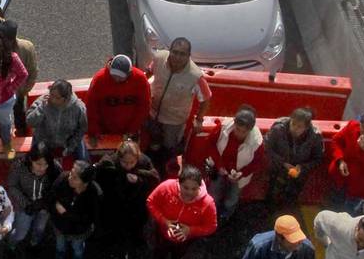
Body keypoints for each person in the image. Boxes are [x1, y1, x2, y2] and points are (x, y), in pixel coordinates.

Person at [145, 165, 217, 259]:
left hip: (186, 238)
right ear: (179, 183)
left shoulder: (208, 203)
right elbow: (151, 201)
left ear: (200, 186)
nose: (189, 192)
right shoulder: (167, 187)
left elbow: (211, 226)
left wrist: (190, 230)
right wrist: (164, 221)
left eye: (194, 188)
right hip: (162, 233)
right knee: (159, 254)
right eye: (186, 187)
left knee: (178, 254)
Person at [144, 36, 211, 171]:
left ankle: (164, 170)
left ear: (188, 56)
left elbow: (206, 97)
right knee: (152, 142)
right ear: (169, 51)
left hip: (174, 121)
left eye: (182, 54)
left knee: (169, 147)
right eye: (175, 52)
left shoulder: (195, 76)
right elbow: (148, 72)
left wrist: (199, 119)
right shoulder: (159, 58)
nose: (177, 57)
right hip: (153, 112)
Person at [205, 106, 266, 221]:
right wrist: (220, 166)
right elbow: (211, 144)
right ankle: (212, 213)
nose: (240, 134)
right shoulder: (223, 128)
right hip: (219, 169)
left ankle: (226, 217)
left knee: (232, 199)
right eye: (237, 129)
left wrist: (241, 174)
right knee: (213, 194)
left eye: (244, 132)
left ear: (251, 129)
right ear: (234, 124)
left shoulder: (257, 142)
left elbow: (257, 162)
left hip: (239, 176)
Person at [48, 160, 101, 259]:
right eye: (71, 173)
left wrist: (65, 214)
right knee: (60, 247)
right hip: (60, 227)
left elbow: (89, 218)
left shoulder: (94, 194)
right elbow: (51, 196)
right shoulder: (63, 178)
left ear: (85, 182)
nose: (70, 178)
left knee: (77, 250)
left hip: (79, 231)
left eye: (75, 178)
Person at [96, 138, 156, 249]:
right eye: (124, 162)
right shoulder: (110, 161)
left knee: (136, 223)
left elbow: (154, 180)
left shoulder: (144, 161)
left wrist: (139, 180)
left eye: (132, 162)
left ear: (137, 158)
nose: (128, 166)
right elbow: (101, 176)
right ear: (119, 158)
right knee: (114, 222)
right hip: (116, 200)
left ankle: (136, 238)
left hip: (136, 203)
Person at [86, 55, 151, 146]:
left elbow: (144, 106)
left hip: (130, 130)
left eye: (120, 77)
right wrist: (94, 131)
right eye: (114, 75)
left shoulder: (140, 79)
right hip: (105, 130)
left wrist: (132, 129)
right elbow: (91, 107)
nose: (116, 79)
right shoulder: (99, 79)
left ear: (129, 73)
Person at [265, 106, 324, 204]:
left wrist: (302, 167)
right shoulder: (278, 129)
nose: (294, 129)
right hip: (277, 170)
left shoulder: (315, 137)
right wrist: (282, 163)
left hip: (298, 176)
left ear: (306, 127)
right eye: (293, 124)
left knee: (290, 199)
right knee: (271, 195)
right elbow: (267, 147)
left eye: (299, 127)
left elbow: (318, 158)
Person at [7, 141, 60, 250]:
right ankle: (11, 246)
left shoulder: (55, 168)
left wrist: (45, 202)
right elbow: (12, 186)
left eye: (46, 164)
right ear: (31, 160)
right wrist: (26, 204)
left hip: (44, 208)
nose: (42, 168)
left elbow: (58, 188)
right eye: (38, 164)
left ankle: (34, 243)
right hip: (24, 207)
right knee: (20, 233)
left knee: (40, 228)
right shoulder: (19, 167)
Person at [26, 78, 87, 160]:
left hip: (68, 141)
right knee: (35, 160)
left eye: (56, 97)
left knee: (84, 160)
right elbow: (30, 122)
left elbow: (81, 129)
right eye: (51, 94)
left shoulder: (78, 108)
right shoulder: (43, 101)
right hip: (43, 141)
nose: (52, 99)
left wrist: (71, 147)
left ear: (65, 99)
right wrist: (42, 108)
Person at [0, 19, 37, 134]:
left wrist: (24, 90)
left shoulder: (26, 48)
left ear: (10, 39)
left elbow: (32, 71)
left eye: (2, 37)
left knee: (19, 111)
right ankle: (2, 130)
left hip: (17, 91)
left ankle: (21, 130)